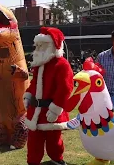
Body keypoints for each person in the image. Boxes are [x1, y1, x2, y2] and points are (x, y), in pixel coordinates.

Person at [23, 27, 73, 165]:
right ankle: (33, 162)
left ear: (52, 46)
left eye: (42, 45)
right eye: (37, 45)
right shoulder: (39, 64)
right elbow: (34, 83)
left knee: (54, 141)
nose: (38, 49)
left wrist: (56, 109)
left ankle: (57, 159)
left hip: (50, 111)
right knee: (33, 141)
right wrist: (28, 95)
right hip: (35, 111)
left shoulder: (62, 65)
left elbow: (65, 88)